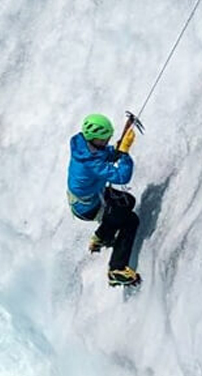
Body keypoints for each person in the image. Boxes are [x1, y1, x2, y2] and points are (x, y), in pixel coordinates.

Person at [67, 113, 142, 287]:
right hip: (87, 207)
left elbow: (105, 154)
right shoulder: (90, 163)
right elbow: (122, 176)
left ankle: (103, 236)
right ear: (94, 139)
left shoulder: (85, 147)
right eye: (104, 139)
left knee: (128, 201)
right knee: (130, 220)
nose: (107, 141)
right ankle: (116, 269)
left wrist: (118, 148)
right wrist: (124, 154)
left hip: (93, 196)